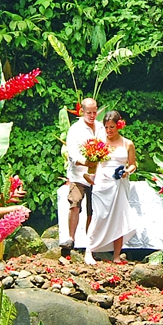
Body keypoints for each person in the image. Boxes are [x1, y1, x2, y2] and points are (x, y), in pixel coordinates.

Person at [84, 110, 136, 264]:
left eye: (112, 127)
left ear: (119, 125)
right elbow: (92, 163)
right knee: (98, 216)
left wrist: (127, 171)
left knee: (118, 218)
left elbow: (133, 164)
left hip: (119, 182)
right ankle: (89, 250)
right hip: (102, 181)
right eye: (106, 127)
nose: (109, 131)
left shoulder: (128, 144)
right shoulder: (99, 142)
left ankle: (116, 255)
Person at [62, 97, 106, 251]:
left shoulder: (101, 128)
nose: (92, 115)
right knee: (75, 203)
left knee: (92, 210)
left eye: (94, 112)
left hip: (97, 176)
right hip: (78, 175)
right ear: (82, 111)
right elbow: (72, 153)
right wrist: (86, 162)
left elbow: (104, 147)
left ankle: (90, 244)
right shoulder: (75, 129)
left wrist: (99, 159)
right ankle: (71, 239)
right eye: (89, 113)